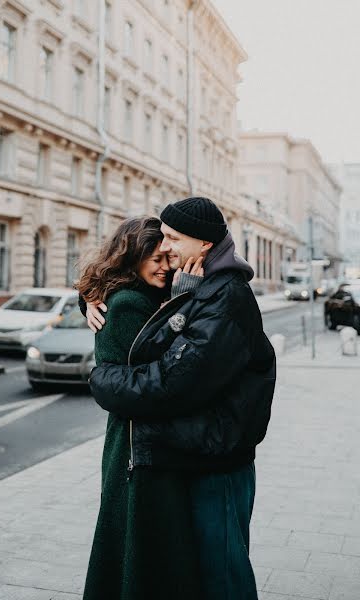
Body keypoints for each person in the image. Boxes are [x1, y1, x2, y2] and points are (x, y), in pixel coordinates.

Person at [86, 197, 276, 600]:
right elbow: (125, 300)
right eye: (160, 243)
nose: (167, 250)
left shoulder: (223, 296)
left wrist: (103, 380)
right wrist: (87, 298)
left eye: (172, 238)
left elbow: (173, 382)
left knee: (224, 572)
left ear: (203, 243)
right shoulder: (204, 284)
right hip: (199, 453)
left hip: (219, 459)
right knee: (206, 572)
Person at [76, 216, 204, 600]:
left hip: (132, 440)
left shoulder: (138, 295)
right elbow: (159, 368)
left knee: (132, 538)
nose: (167, 267)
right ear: (132, 256)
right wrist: (183, 301)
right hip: (137, 442)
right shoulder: (130, 303)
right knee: (142, 542)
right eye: (157, 259)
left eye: (170, 258)